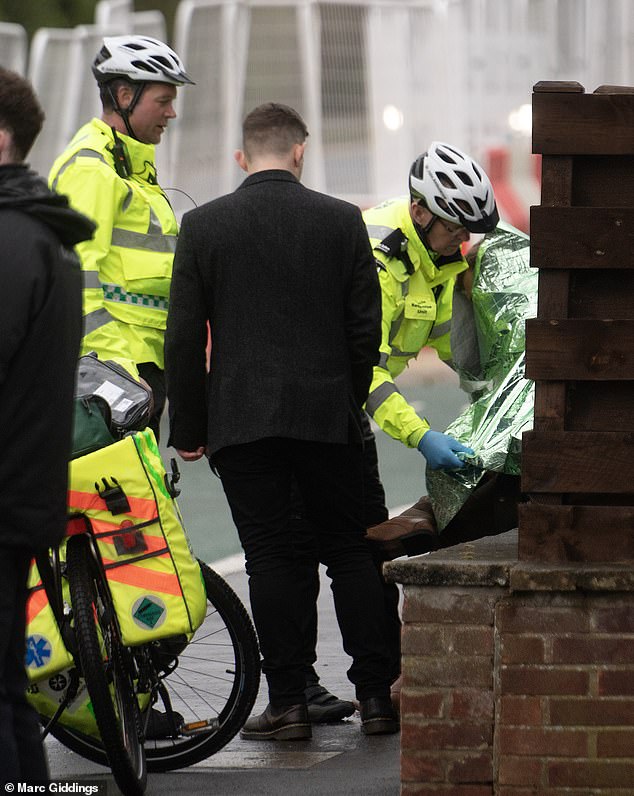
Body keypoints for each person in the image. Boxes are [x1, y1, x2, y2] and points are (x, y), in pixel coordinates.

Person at [165, 102, 399, 740]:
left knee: (270, 555)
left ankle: (289, 702)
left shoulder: (204, 225)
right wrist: (344, 402)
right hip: (327, 417)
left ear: (242, 157)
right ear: (300, 151)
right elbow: (364, 330)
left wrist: (189, 428)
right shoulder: (342, 220)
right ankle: (377, 696)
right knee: (350, 550)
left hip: (242, 420)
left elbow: (183, 337)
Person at [0, 68, 94, 786]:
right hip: (23, 492)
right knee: (9, 690)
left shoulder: (10, 238)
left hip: (5, 493)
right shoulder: (43, 236)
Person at [49, 35, 194, 438]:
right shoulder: (91, 169)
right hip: (117, 375)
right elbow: (76, 280)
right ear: (126, 95)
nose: (172, 113)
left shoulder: (128, 165)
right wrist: (118, 373)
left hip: (141, 367)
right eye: (163, 101)